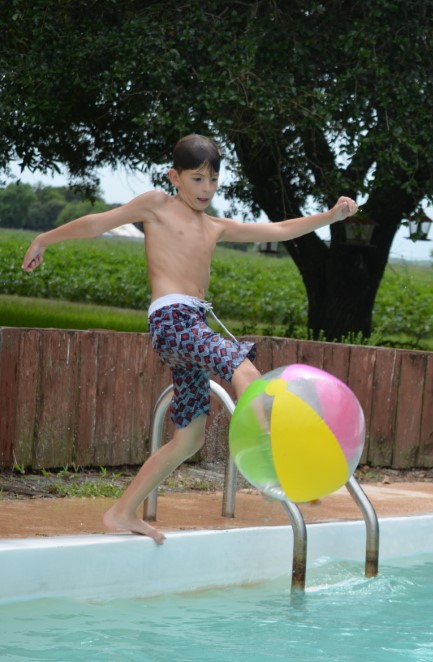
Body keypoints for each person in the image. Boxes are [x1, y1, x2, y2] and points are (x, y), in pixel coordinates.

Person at [21, 133, 358, 544]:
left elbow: (281, 228)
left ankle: (122, 511)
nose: (206, 189)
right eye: (197, 179)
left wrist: (331, 216)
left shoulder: (214, 226)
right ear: (174, 177)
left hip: (190, 331)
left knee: (190, 437)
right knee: (243, 369)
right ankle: (275, 457)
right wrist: (44, 239)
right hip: (173, 321)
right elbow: (99, 222)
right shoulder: (156, 206)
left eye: (213, 180)